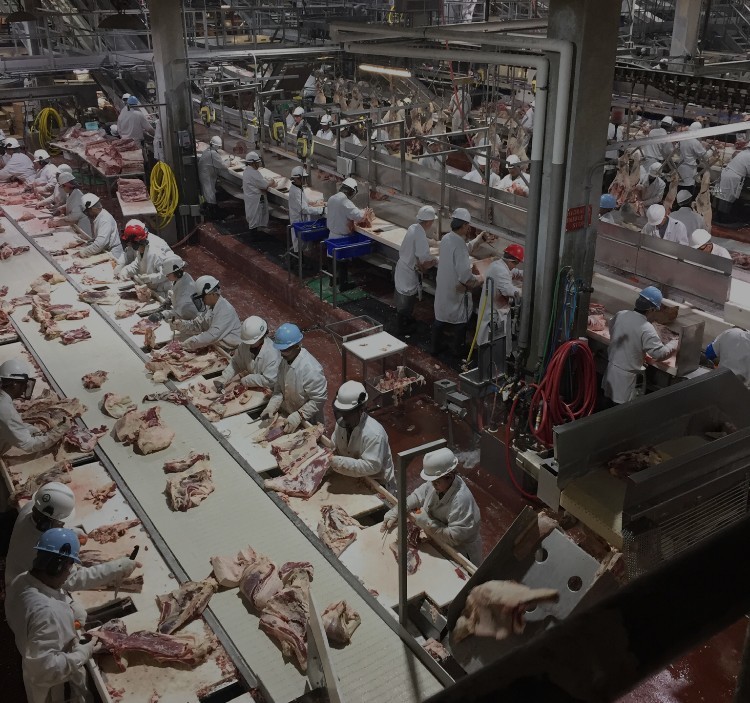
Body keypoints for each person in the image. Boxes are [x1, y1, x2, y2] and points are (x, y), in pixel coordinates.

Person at [5, 527, 140, 703]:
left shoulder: (22, 580)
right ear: (58, 566)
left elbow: (50, 596)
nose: (71, 572)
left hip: (29, 650)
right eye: (70, 566)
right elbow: (45, 670)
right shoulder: (47, 612)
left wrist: (69, 606)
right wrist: (82, 653)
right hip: (50, 681)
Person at [5, 483, 139, 589]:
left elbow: (44, 522)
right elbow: (73, 579)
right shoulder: (42, 547)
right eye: (61, 522)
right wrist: (118, 568)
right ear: (55, 522)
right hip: (23, 589)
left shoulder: (31, 507)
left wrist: (70, 531)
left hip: (15, 572)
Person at [381, 447, 482, 564]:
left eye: (436, 481)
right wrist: (397, 510)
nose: (433, 484)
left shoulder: (461, 501)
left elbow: (454, 538)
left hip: (460, 552)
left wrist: (428, 522)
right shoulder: (437, 483)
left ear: (449, 476)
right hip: (438, 539)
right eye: (432, 480)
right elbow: (417, 496)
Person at [602, 286, 679, 405]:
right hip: (626, 380)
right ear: (652, 309)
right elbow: (659, 354)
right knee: (621, 414)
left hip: (611, 371)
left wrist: (635, 352)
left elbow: (613, 331)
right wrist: (675, 343)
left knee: (605, 408)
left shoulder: (621, 314)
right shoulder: (646, 328)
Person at [432, 208, 482, 365]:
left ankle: (434, 347)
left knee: (440, 317)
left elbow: (463, 249)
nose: (469, 228)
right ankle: (456, 350)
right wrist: (480, 278)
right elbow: (465, 276)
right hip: (456, 290)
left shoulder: (447, 238)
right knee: (461, 320)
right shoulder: (459, 244)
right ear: (465, 226)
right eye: (468, 225)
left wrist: (480, 239)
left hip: (444, 287)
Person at [329, 381, 396, 493]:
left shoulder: (374, 434)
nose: (344, 418)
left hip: (377, 484)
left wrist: (337, 462)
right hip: (353, 477)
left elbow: (371, 466)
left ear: (361, 410)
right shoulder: (342, 423)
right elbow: (334, 445)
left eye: (348, 413)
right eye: (341, 413)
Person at [260, 322, 327, 432]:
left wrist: (299, 415)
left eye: (285, 350)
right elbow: (279, 389)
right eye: (281, 350)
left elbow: (318, 399)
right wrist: (272, 405)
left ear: (297, 346)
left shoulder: (311, 369)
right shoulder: (285, 361)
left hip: (309, 420)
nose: (282, 354)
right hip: (289, 413)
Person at [0, 359, 69, 457]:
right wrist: (58, 432)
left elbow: (6, 426)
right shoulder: (6, 410)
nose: (25, 388)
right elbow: (28, 444)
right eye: (24, 385)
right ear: (14, 384)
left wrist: (31, 429)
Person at [394, 205, 437, 337]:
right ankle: (402, 328)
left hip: (402, 268)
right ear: (429, 222)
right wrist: (434, 261)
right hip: (408, 272)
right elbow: (424, 263)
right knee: (406, 302)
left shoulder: (414, 227)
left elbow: (423, 240)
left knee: (402, 299)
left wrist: (435, 243)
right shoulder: (420, 234)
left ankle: (404, 321)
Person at [172, 275, 242, 351]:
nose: (202, 300)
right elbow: (198, 324)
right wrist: (181, 324)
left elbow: (211, 336)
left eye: (203, 297)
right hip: (216, 345)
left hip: (229, 349)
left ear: (212, 294)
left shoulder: (225, 311)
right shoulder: (209, 306)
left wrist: (191, 342)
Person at [475, 244, 523, 348]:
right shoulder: (500, 270)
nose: (516, 266)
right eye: (516, 263)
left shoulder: (500, 265)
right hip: (493, 314)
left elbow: (516, 273)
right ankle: (489, 361)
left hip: (496, 310)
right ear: (512, 261)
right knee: (491, 343)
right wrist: (524, 291)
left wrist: (529, 275)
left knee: (495, 340)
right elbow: (508, 290)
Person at [215, 316, 280, 392]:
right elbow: (236, 363)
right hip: (252, 386)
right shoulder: (245, 345)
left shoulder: (273, 354)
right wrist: (224, 378)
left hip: (269, 390)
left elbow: (270, 380)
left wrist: (247, 380)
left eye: (250, 342)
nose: (248, 344)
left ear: (261, 337)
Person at [325, 177, 368, 289]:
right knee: (342, 261)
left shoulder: (332, 198)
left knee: (331, 258)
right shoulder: (345, 202)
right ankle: (343, 285)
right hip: (341, 237)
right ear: (351, 191)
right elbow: (359, 216)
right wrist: (365, 212)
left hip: (331, 235)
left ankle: (332, 281)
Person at [114, 219, 173, 294]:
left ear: (135, 243)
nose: (129, 246)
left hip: (164, 289)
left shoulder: (155, 251)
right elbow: (136, 264)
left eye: (130, 244)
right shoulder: (141, 250)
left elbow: (167, 273)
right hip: (152, 289)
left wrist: (150, 278)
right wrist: (126, 270)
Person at [288, 166, 324, 253]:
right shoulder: (295, 191)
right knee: (298, 243)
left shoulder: (298, 188)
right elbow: (304, 209)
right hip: (298, 220)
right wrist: (320, 210)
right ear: (297, 178)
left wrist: (313, 202)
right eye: (302, 178)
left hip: (301, 219)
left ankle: (299, 261)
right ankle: (298, 263)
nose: (304, 180)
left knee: (301, 243)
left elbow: (303, 200)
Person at [78, 194, 124, 259]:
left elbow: (100, 244)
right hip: (107, 250)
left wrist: (84, 252)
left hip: (113, 253)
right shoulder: (99, 216)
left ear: (93, 209)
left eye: (88, 211)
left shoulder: (104, 219)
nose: (88, 214)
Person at [198, 136, 232, 220]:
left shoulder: (208, 150)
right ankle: (212, 213)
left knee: (209, 193)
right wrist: (229, 161)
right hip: (207, 176)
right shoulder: (213, 154)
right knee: (210, 194)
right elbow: (223, 166)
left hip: (206, 175)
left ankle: (210, 209)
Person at [50, 172, 92, 238]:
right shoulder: (71, 193)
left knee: (83, 243)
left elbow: (74, 216)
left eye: (62, 186)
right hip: (75, 224)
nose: (62, 189)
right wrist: (62, 208)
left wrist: (60, 220)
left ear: (67, 185)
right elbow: (71, 203)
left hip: (82, 226)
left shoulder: (77, 195)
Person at [242, 151, 275, 235]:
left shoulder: (247, 171)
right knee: (256, 217)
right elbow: (264, 185)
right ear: (253, 163)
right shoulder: (254, 173)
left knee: (255, 217)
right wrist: (272, 181)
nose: (258, 164)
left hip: (252, 198)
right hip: (255, 199)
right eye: (257, 162)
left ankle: (257, 232)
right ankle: (255, 236)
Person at [715, 146, 750, 224]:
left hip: (727, 174)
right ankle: (722, 219)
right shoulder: (748, 155)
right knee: (727, 198)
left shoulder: (744, 152)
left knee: (722, 196)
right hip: (732, 177)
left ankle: (719, 216)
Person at [160, 254, 198, 322]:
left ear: (177, 273)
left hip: (190, 318)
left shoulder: (186, 289)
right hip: (183, 311)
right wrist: (169, 299)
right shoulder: (181, 278)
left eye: (168, 275)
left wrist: (163, 315)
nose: (166, 276)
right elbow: (175, 291)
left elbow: (180, 312)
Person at [676, 121, 710, 196]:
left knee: (680, 187)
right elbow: (705, 155)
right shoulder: (695, 142)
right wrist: (707, 149)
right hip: (689, 169)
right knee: (687, 189)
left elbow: (677, 149)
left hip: (681, 166)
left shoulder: (683, 138)